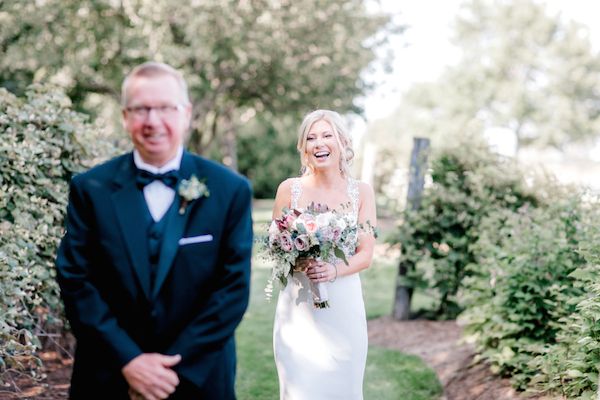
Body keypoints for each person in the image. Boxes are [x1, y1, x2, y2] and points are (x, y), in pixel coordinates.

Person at [55, 61, 253, 400]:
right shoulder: (91, 189)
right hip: (108, 377)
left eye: (165, 107)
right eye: (141, 109)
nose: (153, 121)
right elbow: (76, 280)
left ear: (186, 113)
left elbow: (231, 289)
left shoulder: (229, 190)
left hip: (197, 378)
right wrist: (129, 361)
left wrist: (168, 373)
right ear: (125, 117)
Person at [271, 109, 377, 399]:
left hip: (344, 306)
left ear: (342, 141)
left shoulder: (362, 193)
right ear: (303, 148)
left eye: (327, 135)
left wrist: (333, 270)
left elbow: (366, 254)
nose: (319, 143)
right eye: (311, 138)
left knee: (343, 389)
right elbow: (276, 245)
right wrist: (298, 256)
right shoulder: (288, 190)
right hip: (298, 308)